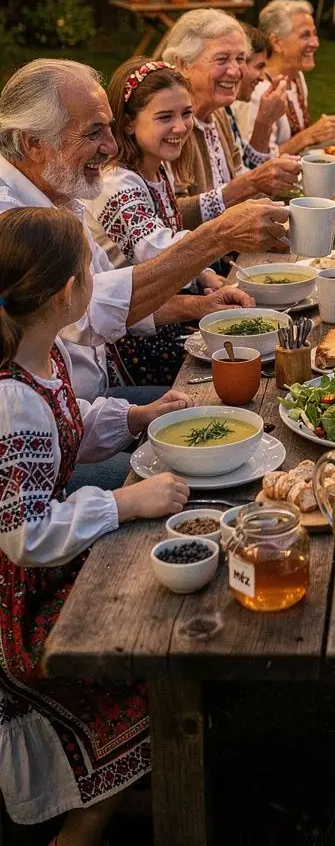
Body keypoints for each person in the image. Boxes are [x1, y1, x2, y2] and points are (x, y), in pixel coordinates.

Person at [0, 205, 192, 836]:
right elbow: (24, 536)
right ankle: (83, 826)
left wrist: (137, 418)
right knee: (151, 642)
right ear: (66, 293)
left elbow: (68, 428)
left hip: (42, 570)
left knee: (163, 562)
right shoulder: (11, 399)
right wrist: (124, 502)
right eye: (90, 269)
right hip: (20, 608)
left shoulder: (40, 361)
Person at [0, 59, 290, 403]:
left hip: (93, 406)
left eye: (109, 129)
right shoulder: (12, 217)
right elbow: (91, 311)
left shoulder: (59, 191)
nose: (112, 146)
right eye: (94, 132)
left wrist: (197, 306)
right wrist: (218, 237)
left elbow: (105, 291)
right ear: (33, 143)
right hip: (64, 422)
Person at [88, 59, 256, 385]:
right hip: (134, 348)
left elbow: (173, 245)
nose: (180, 127)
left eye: (186, 113)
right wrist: (227, 232)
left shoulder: (157, 168)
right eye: (165, 117)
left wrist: (208, 277)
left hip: (165, 324)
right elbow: (161, 257)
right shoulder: (116, 185)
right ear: (127, 124)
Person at [160, 9, 300, 224]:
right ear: (183, 65)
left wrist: (266, 177)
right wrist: (253, 182)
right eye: (222, 59)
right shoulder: (169, 126)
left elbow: (239, 175)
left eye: (240, 59)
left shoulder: (218, 114)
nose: (235, 71)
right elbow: (172, 214)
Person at [236, 0, 335, 154]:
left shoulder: (297, 78)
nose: (315, 43)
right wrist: (308, 136)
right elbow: (255, 160)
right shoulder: (257, 90)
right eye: (305, 36)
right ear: (276, 42)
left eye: (314, 34)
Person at [225, 25, 289, 168]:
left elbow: (245, 169)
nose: (262, 78)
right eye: (259, 66)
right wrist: (265, 120)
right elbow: (250, 174)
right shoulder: (221, 110)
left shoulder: (227, 109)